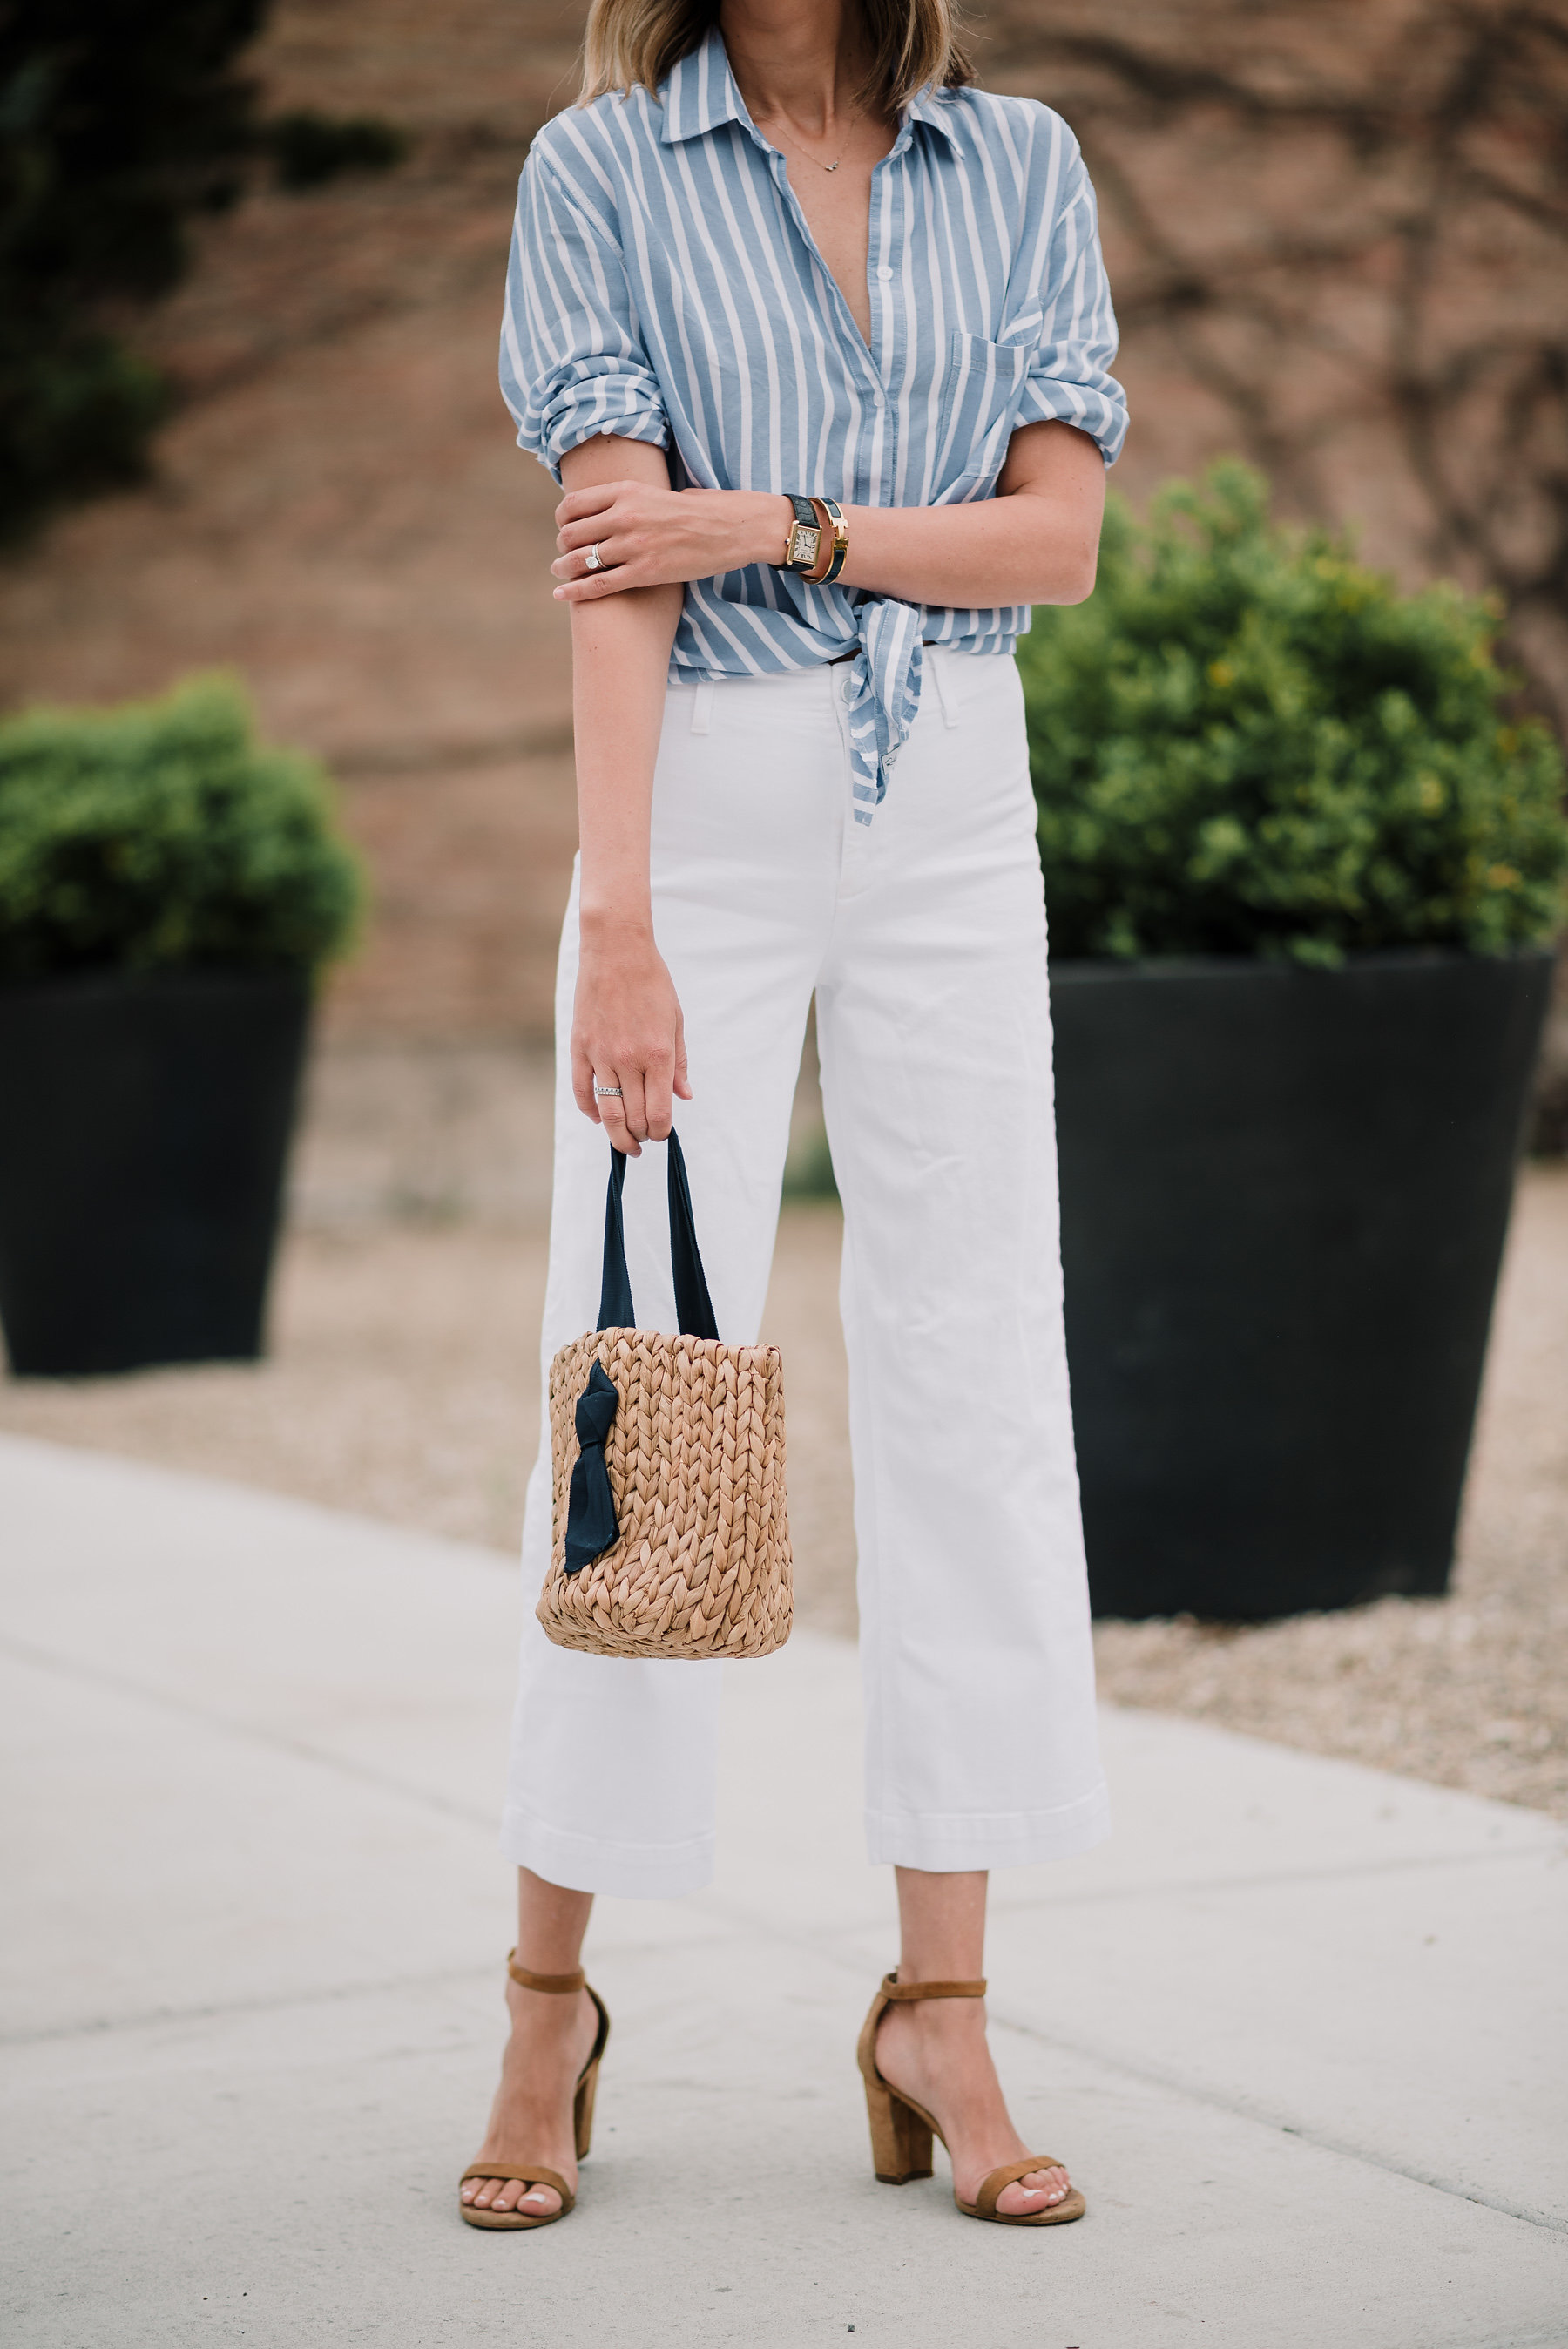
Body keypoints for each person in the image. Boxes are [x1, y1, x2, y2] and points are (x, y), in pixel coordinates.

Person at [461, 0, 1127, 2231]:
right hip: (705, 815)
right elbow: (613, 563)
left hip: (955, 797)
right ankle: (548, 1997)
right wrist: (621, 923)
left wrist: (796, 522)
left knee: (971, 1365)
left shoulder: (1016, 155)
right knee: (637, 1385)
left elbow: (1058, 546)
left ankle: (940, 2005)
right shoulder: (606, 175)